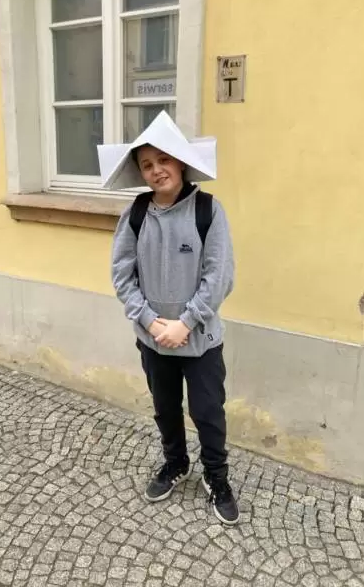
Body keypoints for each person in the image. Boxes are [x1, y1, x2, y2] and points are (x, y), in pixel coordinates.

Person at [106, 112, 239, 525]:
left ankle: (216, 477)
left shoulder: (208, 211)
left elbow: (219, 276)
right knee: (165, 408)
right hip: (153, 340)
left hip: (200, 341)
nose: (156, 170)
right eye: (147, 164)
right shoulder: (136, 214)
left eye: (163, 159)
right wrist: (149, 321)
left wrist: (186, 323)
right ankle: (176, 462)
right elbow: (122, 274)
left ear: (180, 162)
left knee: (208, 412)